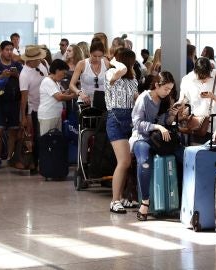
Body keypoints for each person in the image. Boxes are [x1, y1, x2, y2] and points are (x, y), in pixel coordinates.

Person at [129, 71, 182, 221]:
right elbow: (137, 123)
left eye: (170, 89)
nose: (168, 92)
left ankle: (179, 199)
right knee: (144, 162)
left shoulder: (165, 100)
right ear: (157, 85)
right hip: (142, 138)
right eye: (166, 89)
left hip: (159, 140)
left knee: (183, 156)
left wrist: (172, 115)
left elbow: (165, 122)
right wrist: (157, 127)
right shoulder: (144, 98)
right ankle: (145, 201)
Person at [105, 48, 139, 214]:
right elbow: (123, 70)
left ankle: (125, 197)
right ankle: (114, 200)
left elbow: (135, 98)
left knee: (128, 163)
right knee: (124, 161)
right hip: (115, 120)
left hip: (130, 120)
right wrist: (114, 61)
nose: (132, 65)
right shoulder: (111, 73)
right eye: (131, 61)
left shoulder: (132, 79)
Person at [177, 57, 216, 144]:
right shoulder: (187, 79)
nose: (203, 81)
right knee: (197, 155)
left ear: (211, 70)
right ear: (195, 72)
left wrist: (213, 96)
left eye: (206, 78)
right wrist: (180, 104)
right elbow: (184, 99)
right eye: (200, 78)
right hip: (197, 126)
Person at [0, 41, 23, 169]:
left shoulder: (17, 65)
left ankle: (10, 157)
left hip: (14, 102)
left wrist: (17, 75)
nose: (9, 52)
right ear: (1, 51)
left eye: (11, 50)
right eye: (7, 50)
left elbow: (25, 83)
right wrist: (1, 77)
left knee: (13, 130)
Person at [19, 45, 49, 174]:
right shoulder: (24, 75)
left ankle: (45, 161)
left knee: (44, 135)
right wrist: (24, 117)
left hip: (47, 105)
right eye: (37, 59)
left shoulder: (41, 65)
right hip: (34, 109)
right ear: (29, 60)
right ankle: (34, 163)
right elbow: (23, 99)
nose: (39, 60)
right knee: (35, 137)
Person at [69, 40, 110, 111]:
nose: (97, 59)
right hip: (85, 101)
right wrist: (80, 93)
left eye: (100, 56)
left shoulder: (106, 63)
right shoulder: (82, 64)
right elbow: (71, 85)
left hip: (102, 101)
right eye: (95, 56)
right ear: (90, 53)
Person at [37, 59, 76, 135]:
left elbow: (60, 94)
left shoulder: (55, 82)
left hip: (55, 115)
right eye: (63, 73)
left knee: (56, 141)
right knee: (48, 142)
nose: (64, 76)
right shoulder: (47, 81)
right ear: (57, 70)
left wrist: (69, 90)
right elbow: (59, 97)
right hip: (48, 117)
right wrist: (72, 96)